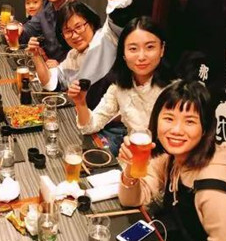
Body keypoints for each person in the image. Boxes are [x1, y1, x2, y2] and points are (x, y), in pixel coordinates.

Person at [118, 80, 226, 241]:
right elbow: (132, 200)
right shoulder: (174, 157)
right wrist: (131, 171)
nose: (176, 130)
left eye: (189, 121)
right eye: (169, 118)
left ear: (205, 128)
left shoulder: (213, 189)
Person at [68, 17, 174, 155]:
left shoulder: (174, 92)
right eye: (133, 49)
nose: (141, 57)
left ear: (162, 49)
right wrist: (81, 103)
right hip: (129, 159)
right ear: (123, 53)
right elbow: (89, 127)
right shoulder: (119, 87)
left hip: (161, 163)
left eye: (150, 47)